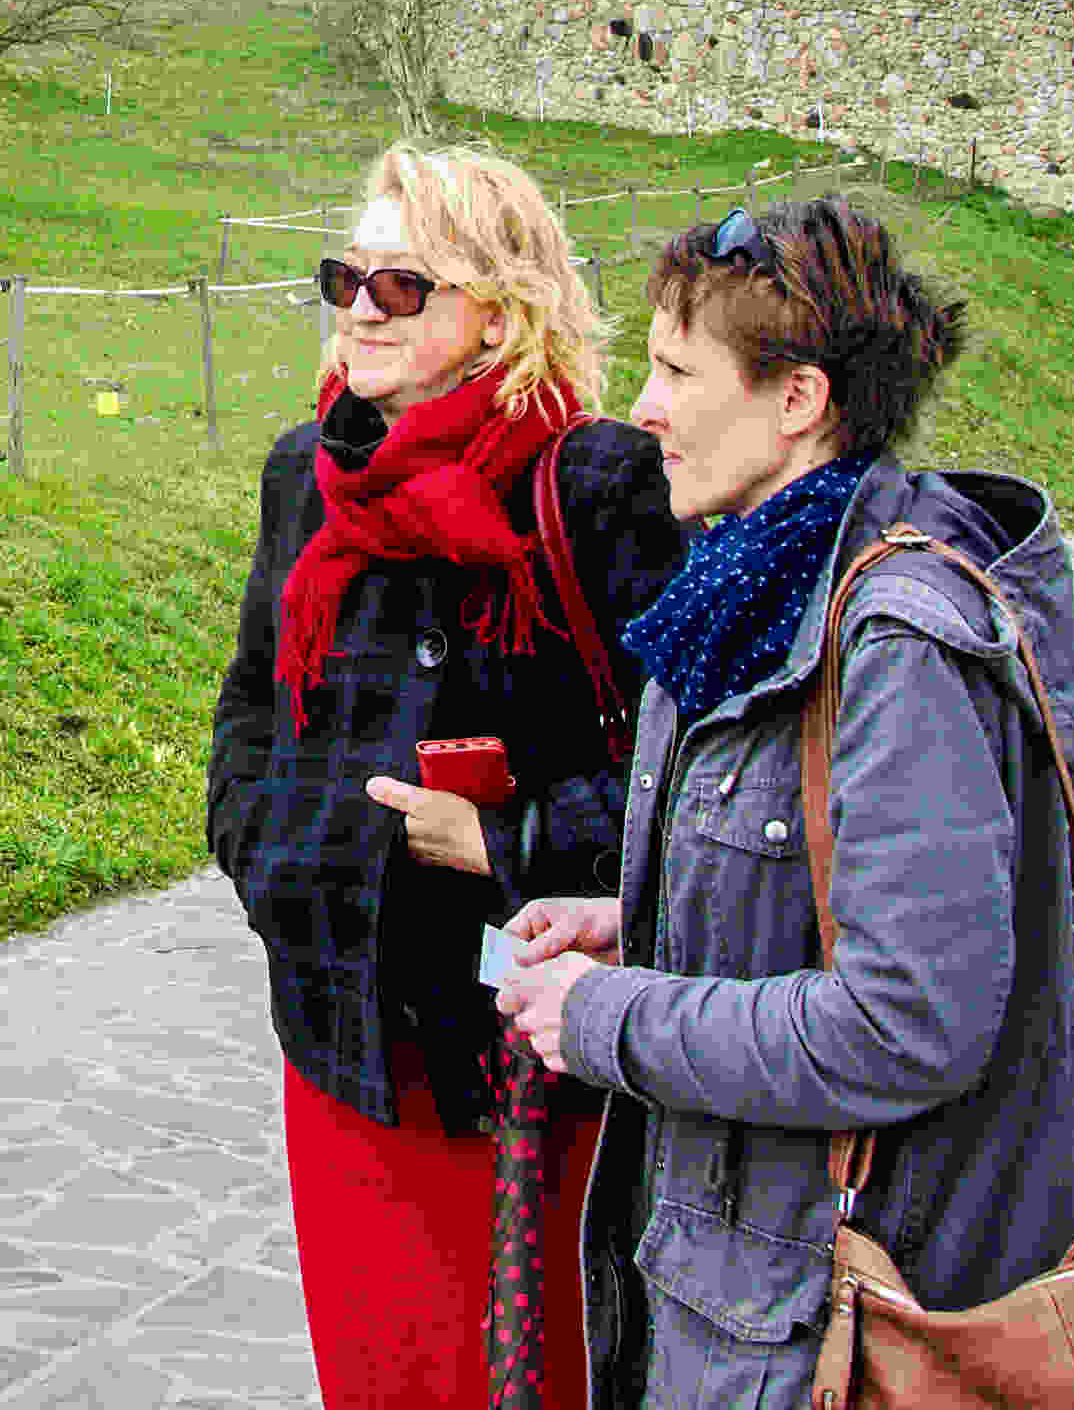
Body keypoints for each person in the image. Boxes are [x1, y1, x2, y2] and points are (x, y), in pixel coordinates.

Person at [492, 196, 1074, 1409]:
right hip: (761, 1299)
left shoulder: (894, 642)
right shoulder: (744, 593)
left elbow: (906, 1022)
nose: (645, 405)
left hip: (858, 1324)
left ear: (799, 399)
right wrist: (643, 918)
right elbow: (829, 889)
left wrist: (611, 1015)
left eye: (678, 369)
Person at [204, 145, 684, 1409]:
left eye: (402, 282)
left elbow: (689, 769)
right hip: (343, 1033)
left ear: (499, 308)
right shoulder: (305, 474)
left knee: (529, 1371)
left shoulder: (593, 484)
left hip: (521, 1054)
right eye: (345, 274)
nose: (360, 304)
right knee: (380, 1373)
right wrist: (270, 860)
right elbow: (251, 707)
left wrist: (511, 839)